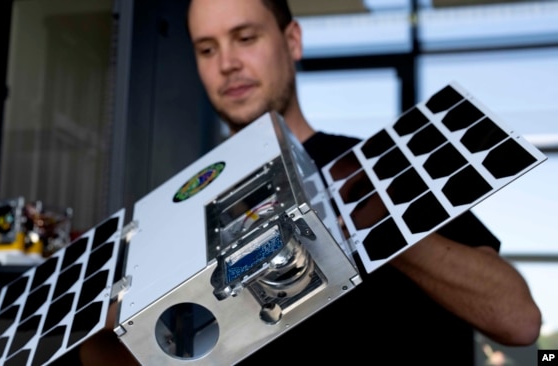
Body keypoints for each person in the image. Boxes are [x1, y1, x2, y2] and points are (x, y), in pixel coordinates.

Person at [79, 0, 542, 364]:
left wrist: (365, 225)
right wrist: (95, 315)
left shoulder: (379, 168)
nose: (227, 63)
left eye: (245, 37)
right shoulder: (183, 220)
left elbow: (519, 321)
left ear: (292, 40)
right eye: (207, 48)